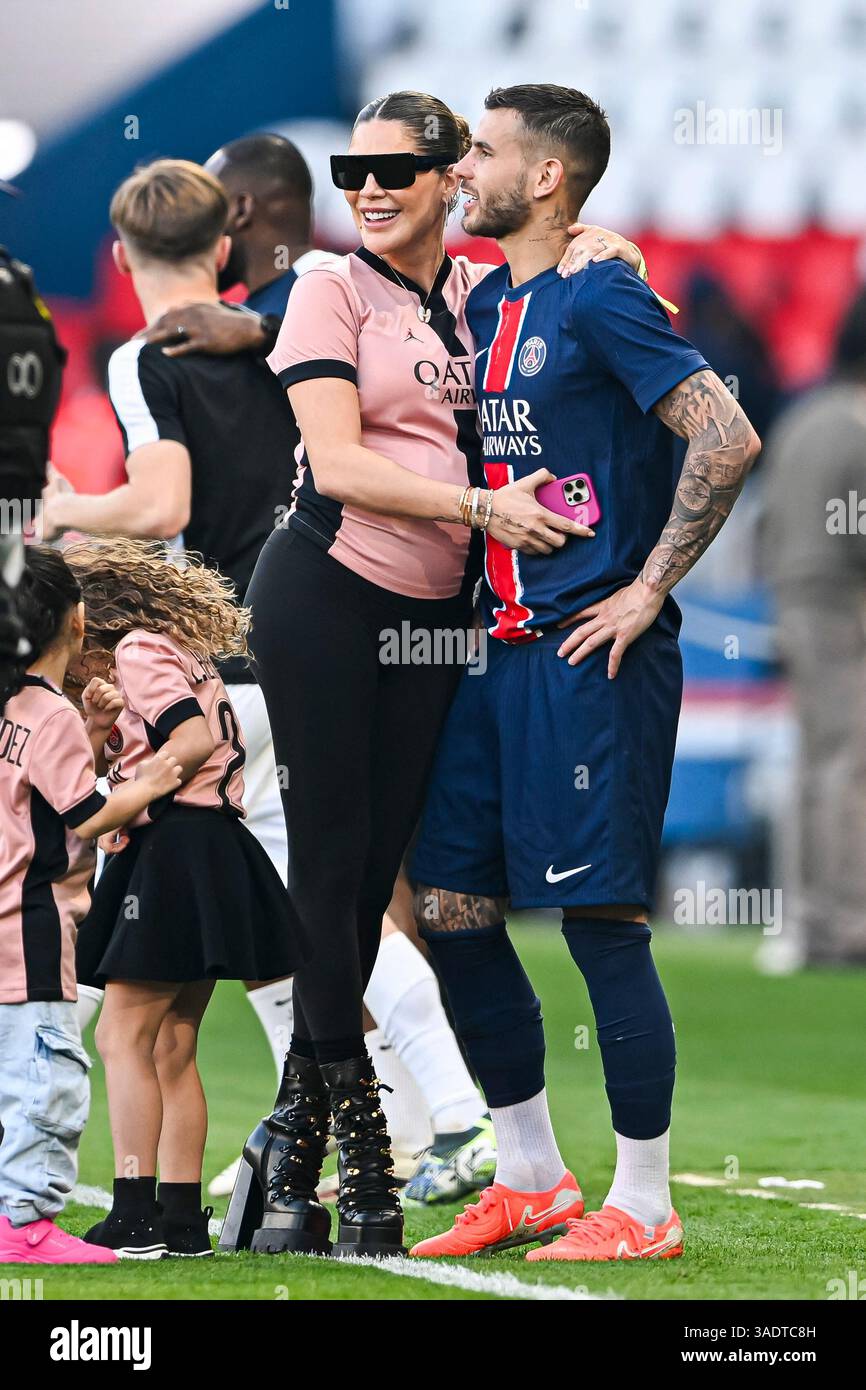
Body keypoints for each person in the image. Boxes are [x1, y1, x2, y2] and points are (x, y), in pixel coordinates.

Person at [231, 88, 655, 1260]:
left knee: (377, 875)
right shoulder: (328, 284)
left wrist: (605, 244)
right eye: (351, 168)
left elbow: (573, 270)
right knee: (331, 862)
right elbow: (336, 459)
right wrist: (482, 506)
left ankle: (292, 1135)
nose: (368, 187)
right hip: (324, 591)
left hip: (440, 614)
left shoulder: (477, 294)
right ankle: (358, 1148)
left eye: (396, 170)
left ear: (442, 183)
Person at [407, 84, 761, 1263]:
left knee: (599, 920)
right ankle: (530, 1175)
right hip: (488, 653)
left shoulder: (602, 290)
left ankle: (646, 1203)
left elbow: (725, 434)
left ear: (546, 176)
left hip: (584, 653)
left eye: (484, 153)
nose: (462, 169)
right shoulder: (489, 295)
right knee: (452, 908)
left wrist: (649, 586)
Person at [39, 159, 299, 1045]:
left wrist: (60, 509)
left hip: (218, 664)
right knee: (300, 900)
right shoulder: (282, 340)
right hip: (313, 634)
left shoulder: (144, 357)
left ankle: (429, 1116)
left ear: (119, 256)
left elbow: (162, 507)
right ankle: (360, 1124)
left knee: (173, 927)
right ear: (223, 246)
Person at [64, 537, 306, 1259]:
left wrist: (122, 800)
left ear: (87, 621)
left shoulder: (137, 650)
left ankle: (134, 1213)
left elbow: (193, 741)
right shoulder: (175, 649)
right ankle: (177, 1219)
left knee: (121, 1036)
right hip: (214, 847)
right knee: (173, 1044)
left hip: (173, 849)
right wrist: (107, 738)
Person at [0, 548, 181, 1265]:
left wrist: (95, 734)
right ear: (78, 622)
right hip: (32, 932)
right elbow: (83, 815)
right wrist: (152, 777)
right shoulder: (45, 713)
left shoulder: (14, 705)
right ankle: (29, 1227)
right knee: (48, 1080)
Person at [763, 288, 866, 967]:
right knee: (850, 764)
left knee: (812, 765)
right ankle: (849, 924)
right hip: (839, 608)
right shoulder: (854, 426)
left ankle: (804, 920)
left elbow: (766, 523)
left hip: (792, 602)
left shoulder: (800, 418)